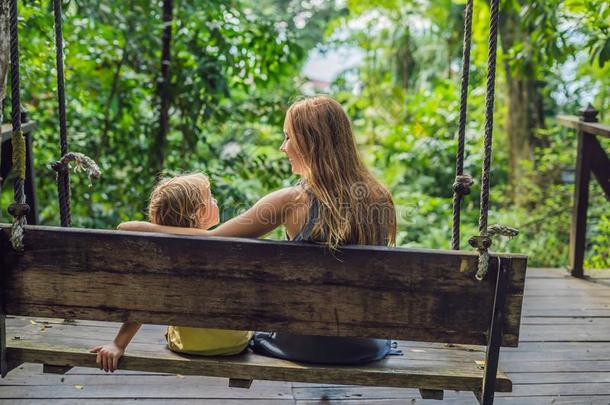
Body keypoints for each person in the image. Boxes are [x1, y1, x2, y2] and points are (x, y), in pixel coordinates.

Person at [119, 95, 397, 364]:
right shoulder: (379, 197)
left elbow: (212, 242)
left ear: (311, 142)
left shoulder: (291, 201)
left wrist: (147, 228)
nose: (283, 146)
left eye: (288, 137)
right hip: (364, 345)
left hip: (303, 345)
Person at [90, 173, 253, 372]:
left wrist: (118, 345)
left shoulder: (167, 262)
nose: (215, 200)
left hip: (186, 345)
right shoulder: (229, 245)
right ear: (201, 212)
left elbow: (125, 228)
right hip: (234, 344)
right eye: (210, 197)